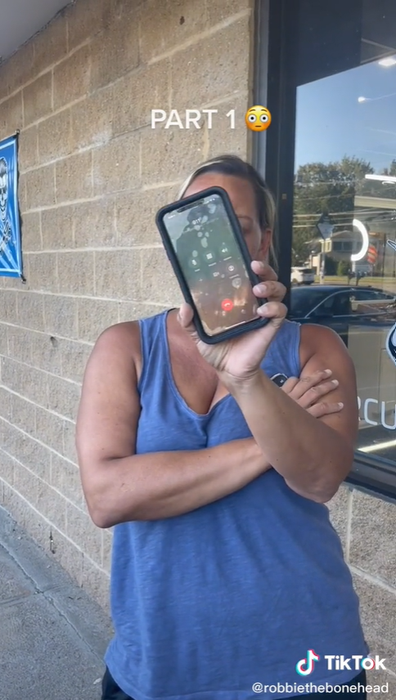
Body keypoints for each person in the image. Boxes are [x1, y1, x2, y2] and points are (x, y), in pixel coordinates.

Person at [76, 155, 368, 700]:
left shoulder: (314, 347)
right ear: (175, 245)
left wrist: (247, 378)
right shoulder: (125, 348)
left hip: (306, 659)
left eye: (241, 224)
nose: (219, 241)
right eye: (199, 225)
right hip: (163, 664)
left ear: (262, 242)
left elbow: (319, 479)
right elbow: (107, 497)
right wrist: (266, 444)